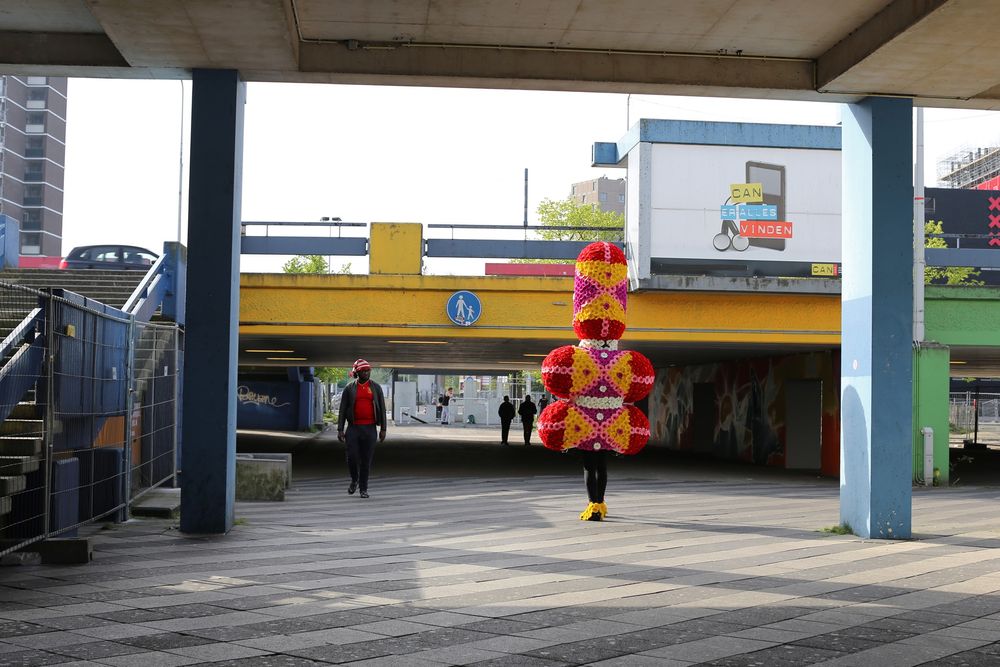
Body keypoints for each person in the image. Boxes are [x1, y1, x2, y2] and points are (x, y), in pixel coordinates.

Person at [337, 359, 386, 499]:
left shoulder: (376, 388)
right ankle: (354, 480)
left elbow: (382, 409)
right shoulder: (349, 388)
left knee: (366, 460)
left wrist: (383, 429)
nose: (367, 373)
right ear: (357, 373)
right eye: (364, 371)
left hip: (370, 428)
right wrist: (340, 429)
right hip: (353, 428)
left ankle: (363, 489)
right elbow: (342, 410)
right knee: (351, 457)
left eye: (368, 370)